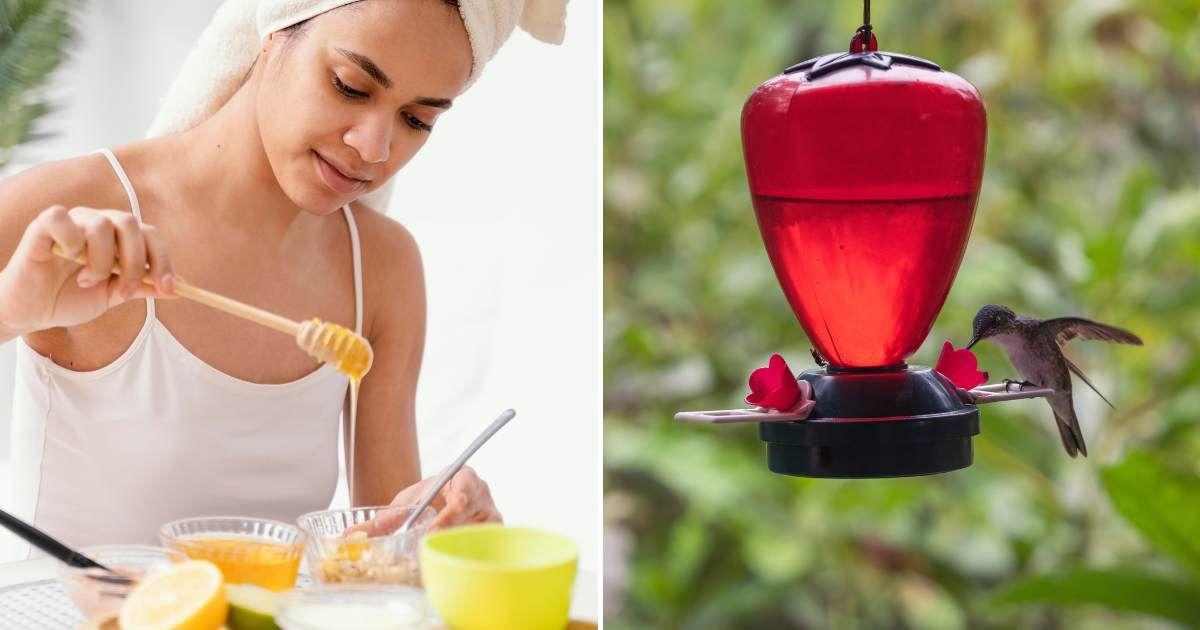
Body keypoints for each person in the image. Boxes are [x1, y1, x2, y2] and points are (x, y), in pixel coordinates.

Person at [0, 0, 565, 553]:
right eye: (350, 85)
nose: (375, 146)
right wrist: (11, 310)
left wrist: (439, 521)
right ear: (274, 31)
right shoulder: (67, 212)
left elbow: (386, 544)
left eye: (417, 119)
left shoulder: (384, 269)